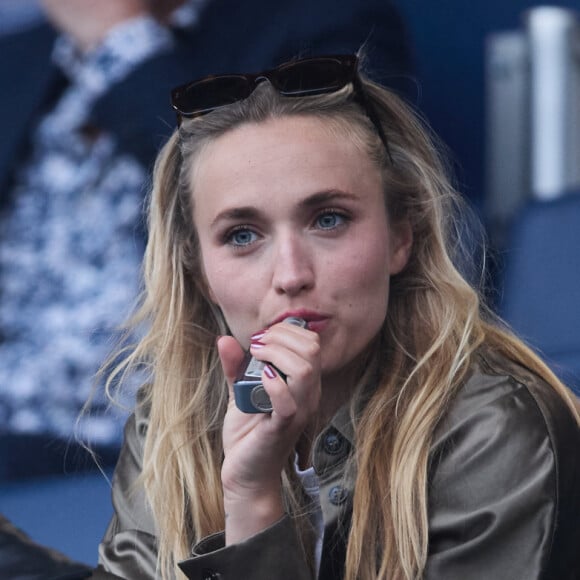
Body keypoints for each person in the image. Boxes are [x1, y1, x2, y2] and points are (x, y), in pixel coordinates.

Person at [88, 54, 580, 579]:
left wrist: (252, 503)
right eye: (242, 235)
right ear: (201, 271)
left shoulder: (493, 429)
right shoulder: (170, 416)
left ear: (400, 237)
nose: (291, 274)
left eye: (328, 219)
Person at [0, 0, 412, 480]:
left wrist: (117, 42)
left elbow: (275, 192)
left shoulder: (320, 29)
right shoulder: (18, 58)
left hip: (157, 437)